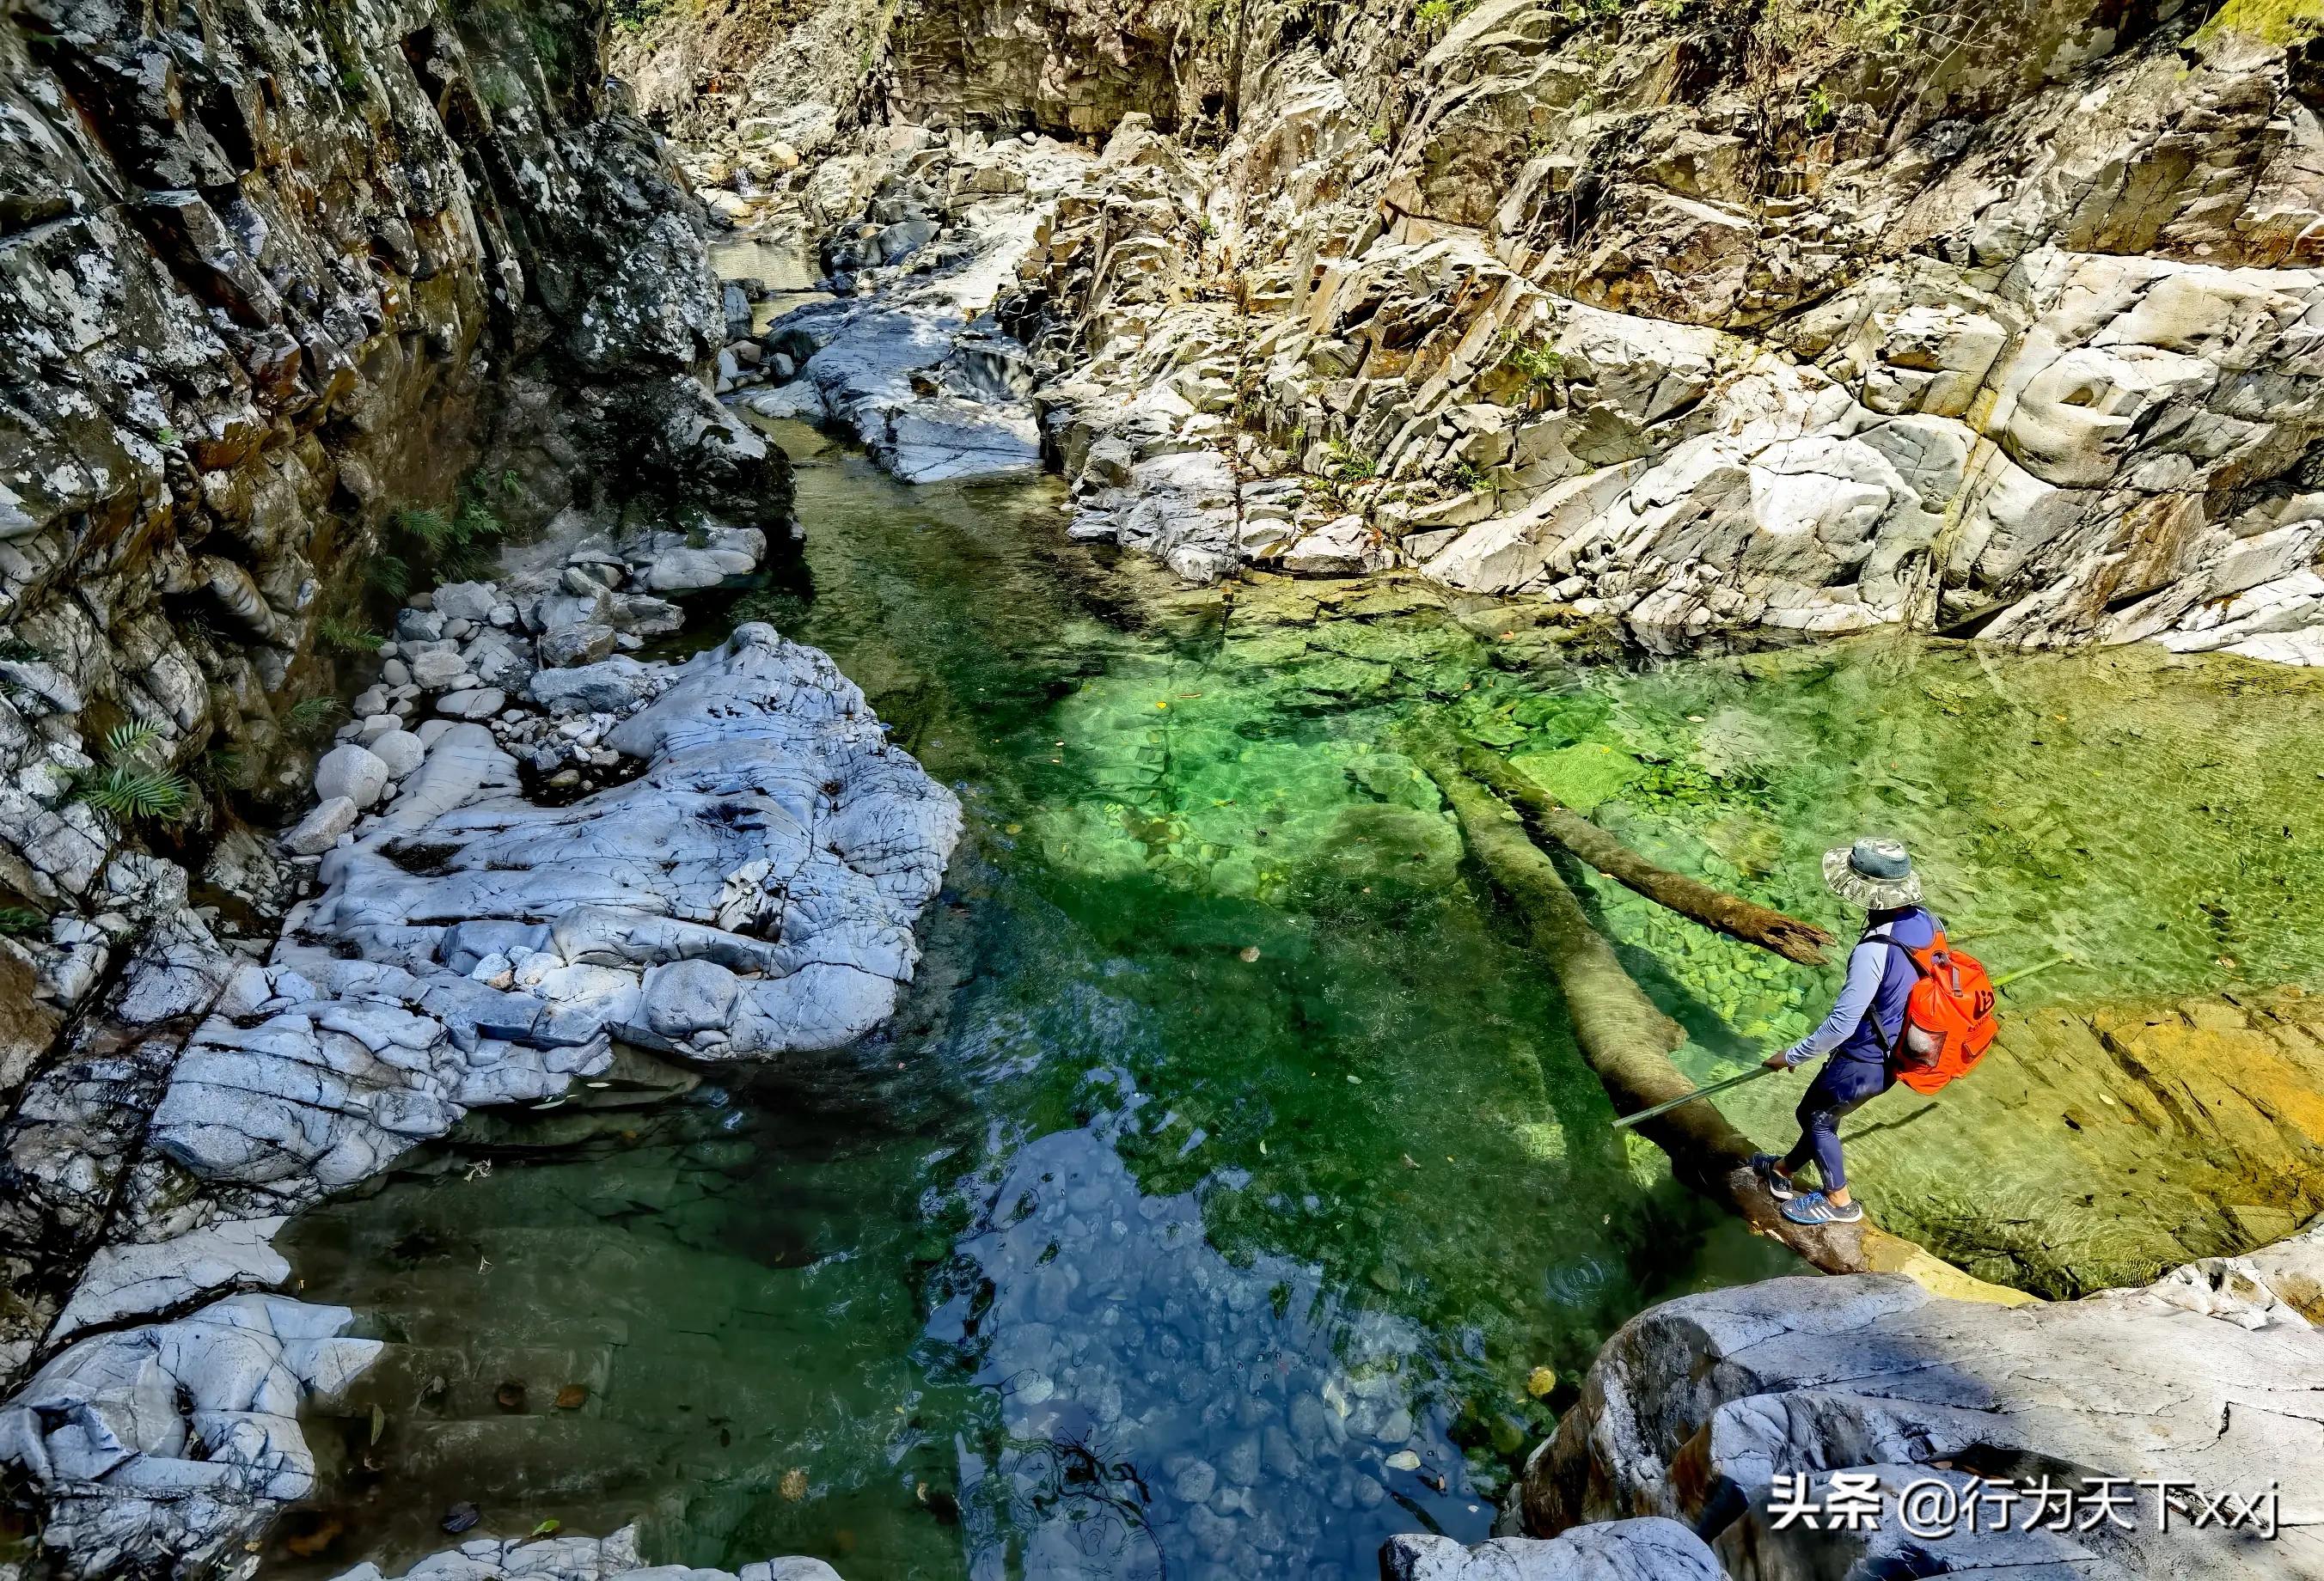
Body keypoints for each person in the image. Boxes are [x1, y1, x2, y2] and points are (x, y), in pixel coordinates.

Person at [1752, 836, 1939, 1226]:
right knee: (1826, 1116)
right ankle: (1783, 1172)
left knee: (1814, 1116)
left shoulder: (1874, 949)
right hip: (1900, 1050)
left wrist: (1792, 1055)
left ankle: (1840, 1203)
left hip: (1863, 1060)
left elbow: (1841, 1024)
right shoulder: (1927, 922)